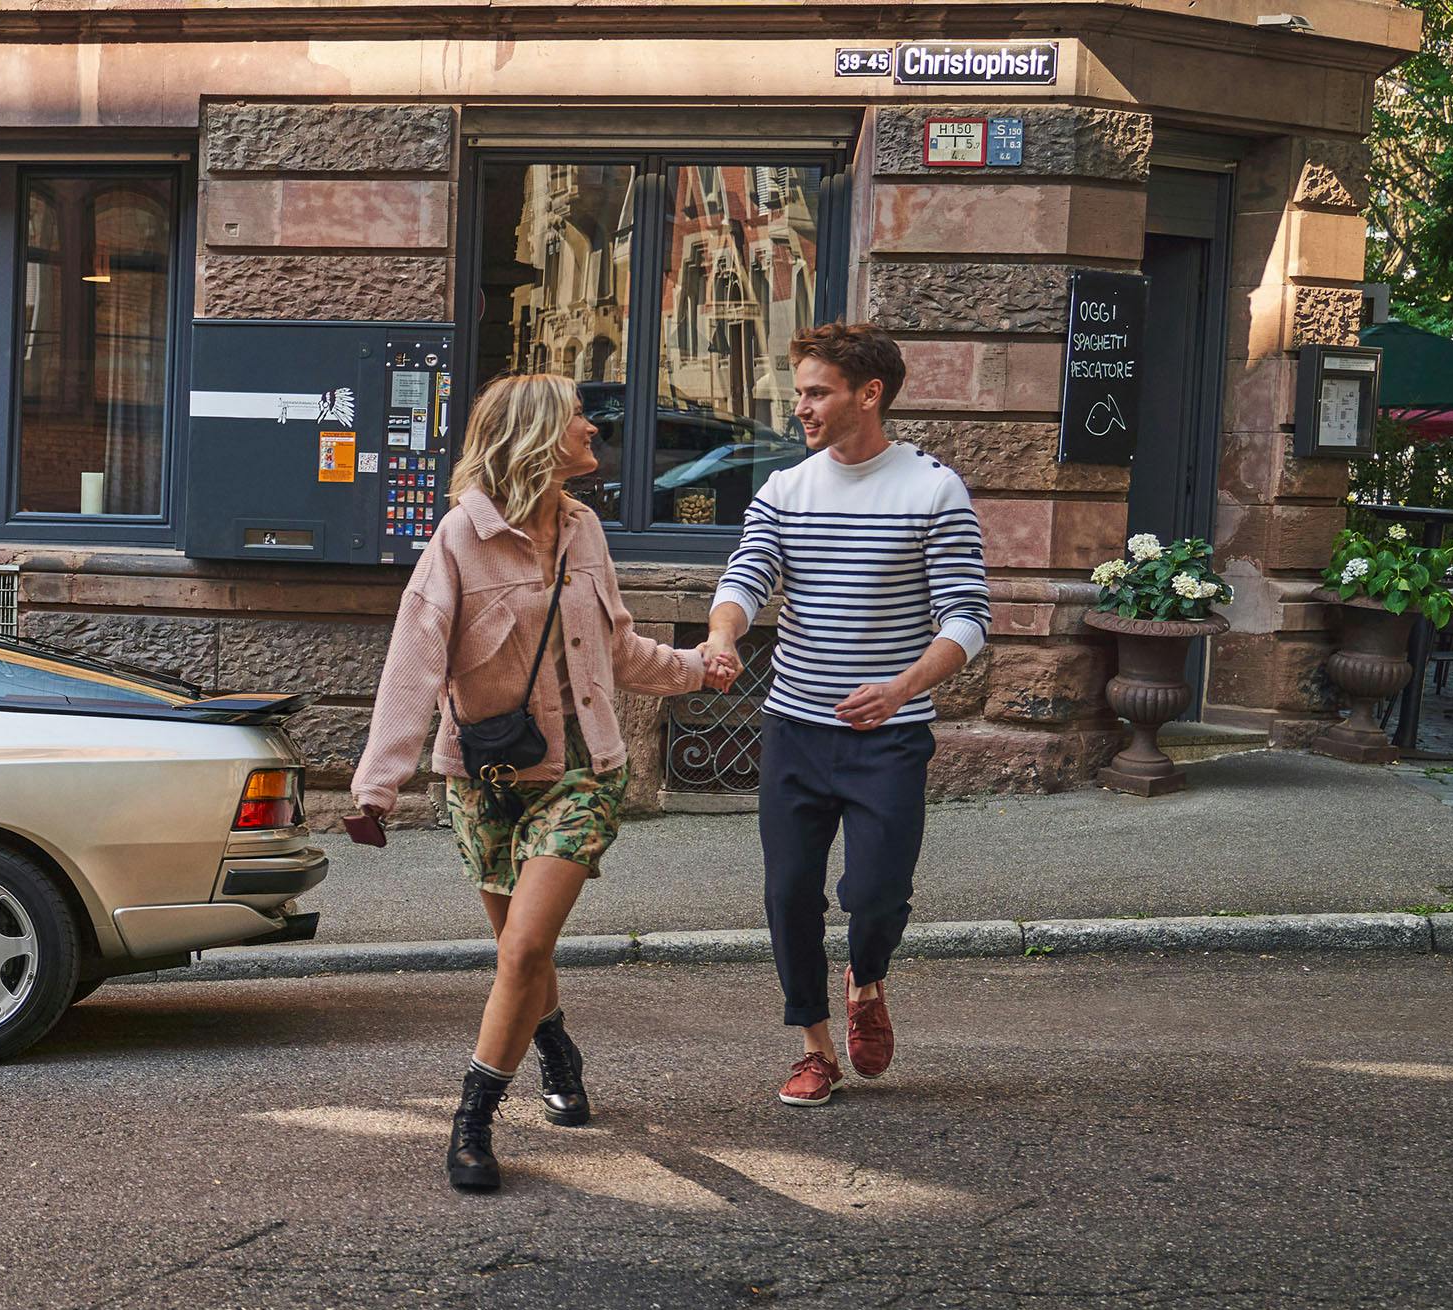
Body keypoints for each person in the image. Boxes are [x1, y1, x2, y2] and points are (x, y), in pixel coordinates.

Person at [352, 373, 728, 1194]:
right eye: (576, 420)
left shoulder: (585, 528)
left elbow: (620, 649)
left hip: (584, 774)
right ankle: (555, 1044)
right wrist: (379, 785)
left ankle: (474, 1119)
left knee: (523, 947)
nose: (593, 428)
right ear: (533, 436)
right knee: (522, 953)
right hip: (485, 779)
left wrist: (698, 670)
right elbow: (413, 665)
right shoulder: (460, 538)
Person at [700, 323, 990, 1110]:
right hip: (794, 730)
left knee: (876, 893)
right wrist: (723, 635)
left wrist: (900, 687)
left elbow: (966, 618)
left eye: (817, 391)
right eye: (799, 392)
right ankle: (815, 1049)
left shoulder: (933, 488)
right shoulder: (788, 489)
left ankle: (868, 980)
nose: (802, 407)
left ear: (869, 394)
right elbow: (747, 577)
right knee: (789, 893)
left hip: (889, 739)